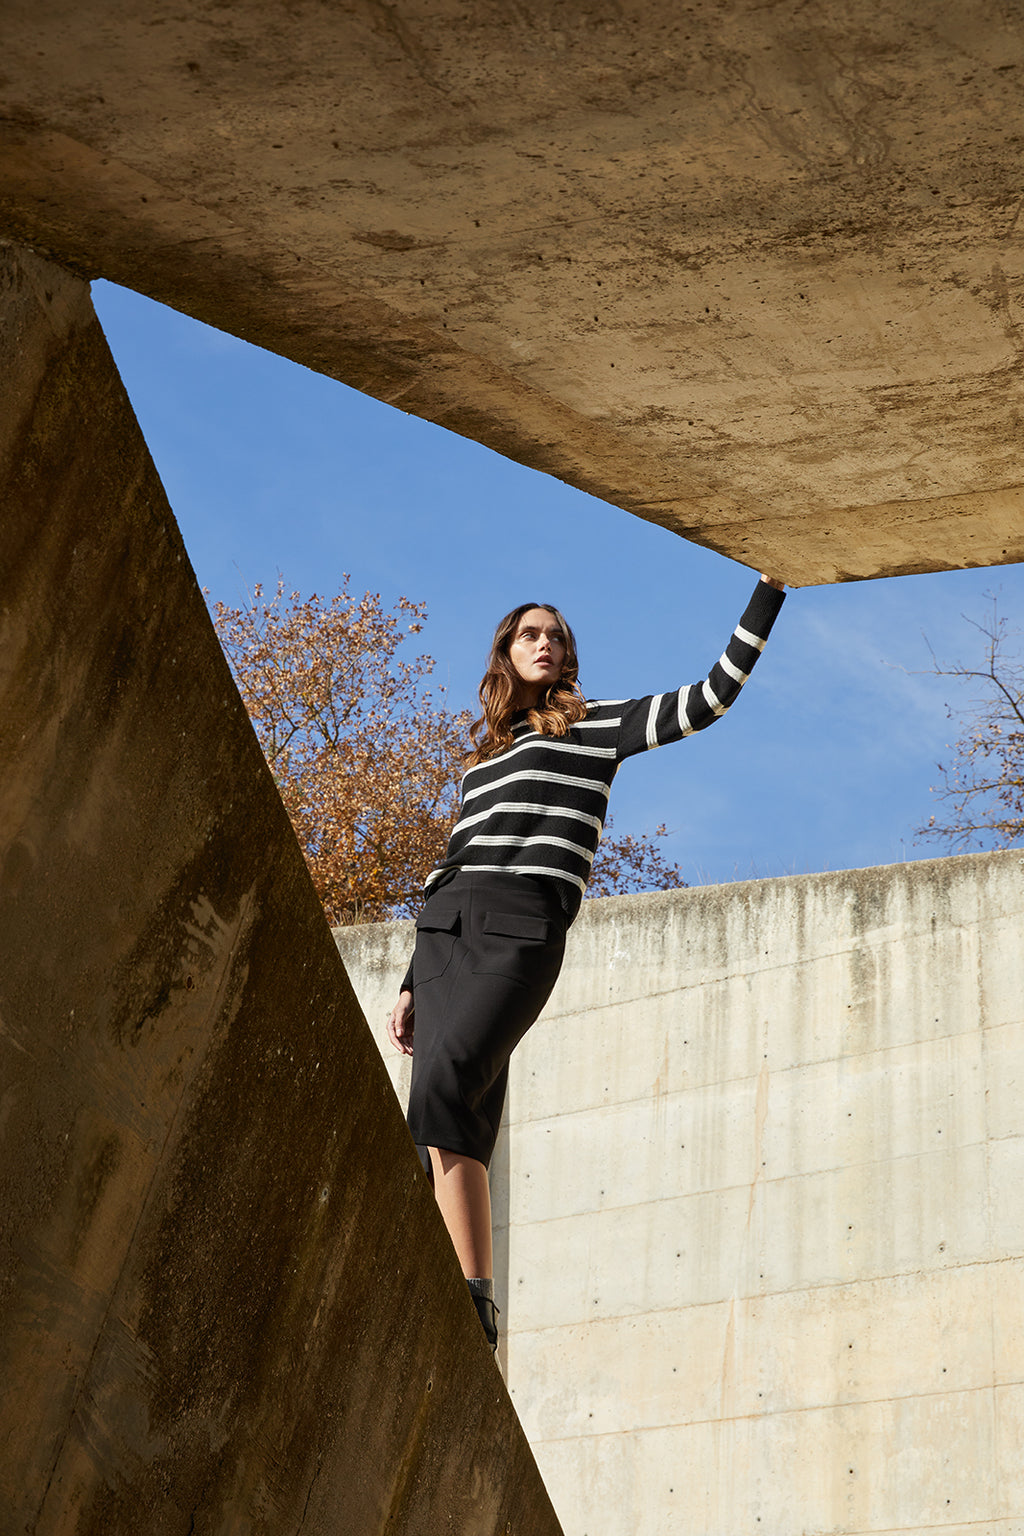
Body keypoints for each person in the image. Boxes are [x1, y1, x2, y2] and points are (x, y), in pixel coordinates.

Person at [388, 572, 786, 1349]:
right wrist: (409, 979)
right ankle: (461, 1294)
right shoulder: (481, 764)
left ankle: (472, 1297)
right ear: (505, 651)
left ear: (568, 658)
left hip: (524, 927)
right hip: (445, 928)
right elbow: (451, 858)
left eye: (557, 635)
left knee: (446, 1084)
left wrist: (767, 593)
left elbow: (710, 697)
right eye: (530, 633)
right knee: (445, 1118)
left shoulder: (597, 726)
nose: (545, 642)